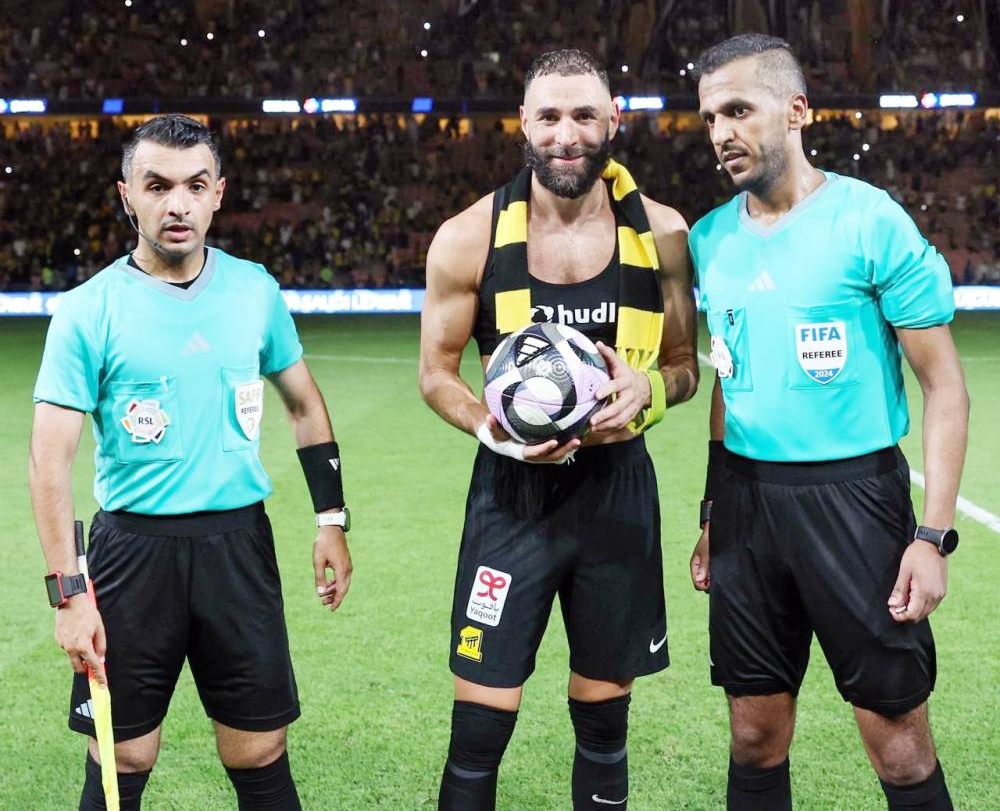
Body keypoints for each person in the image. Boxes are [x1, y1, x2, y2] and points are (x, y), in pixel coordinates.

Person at [29, 114, 353, 811]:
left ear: (218, 194)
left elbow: (303, 404)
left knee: (259, 748)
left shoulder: (254, 290)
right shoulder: (86, 310)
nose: (177, 203)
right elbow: (49, 460)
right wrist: (70, 595)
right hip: (131, 554)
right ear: (127, 195)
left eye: (194, 186)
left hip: (239, 546)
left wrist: (331, 518)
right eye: (158, 186)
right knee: (123, 753)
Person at [687, 35, 969, 811]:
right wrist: (712, 510)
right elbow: (727, 378)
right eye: (709, 118)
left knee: (898, 741)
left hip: (856, 502)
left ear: (797, 110)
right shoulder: (709, 240)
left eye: (738, 110)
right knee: (753, 733)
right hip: (746, 504)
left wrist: (932, 535)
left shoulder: (870, 221)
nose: (720, 133)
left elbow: (945, 386)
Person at [418, 49, 698, 811]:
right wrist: (492, 428)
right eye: (549, 116)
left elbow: (684, 366)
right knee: (479, 727)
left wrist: (647, 390)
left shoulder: (665, 234)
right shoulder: (469, 236)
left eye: (583, 115)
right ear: (523, 123)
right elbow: (436, 372)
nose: (566, 134)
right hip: (512, 495)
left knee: (604, 722)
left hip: (617, 492)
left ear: (614, 120)